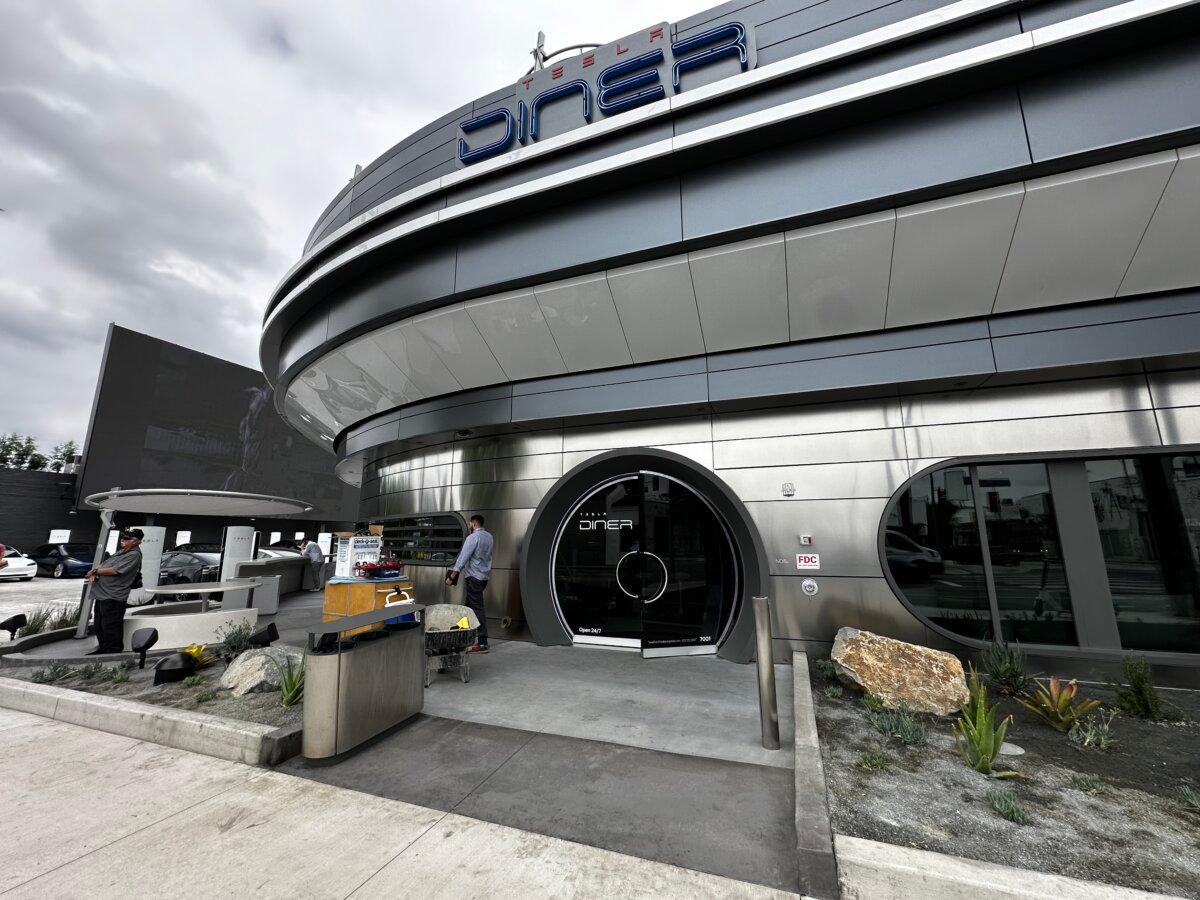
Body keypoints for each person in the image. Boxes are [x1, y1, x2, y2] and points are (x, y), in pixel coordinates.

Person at [86, 529, 143, 654]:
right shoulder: (122, 552)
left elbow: (115, 570)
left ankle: (112, 651)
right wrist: (94, 572)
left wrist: (95, 571)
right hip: (102, 594)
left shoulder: (134, 555)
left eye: (126, 539)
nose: (122, 540)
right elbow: (105, 564)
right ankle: (103, 648)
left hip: (114, 595)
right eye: (123, 538)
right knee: (99, 624)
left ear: (135, 541)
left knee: (111, 625)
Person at [446, 514, 493, 653]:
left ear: (474, 524)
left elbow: (463, 558)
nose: (470, 526)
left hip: (473, 578)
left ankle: (483, 642)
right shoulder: (489, 537)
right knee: (468, 607)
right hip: (483, 578)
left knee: (477, 609)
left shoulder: (473, 537)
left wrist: (452, 577)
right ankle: (460, 633)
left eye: (470, 524)